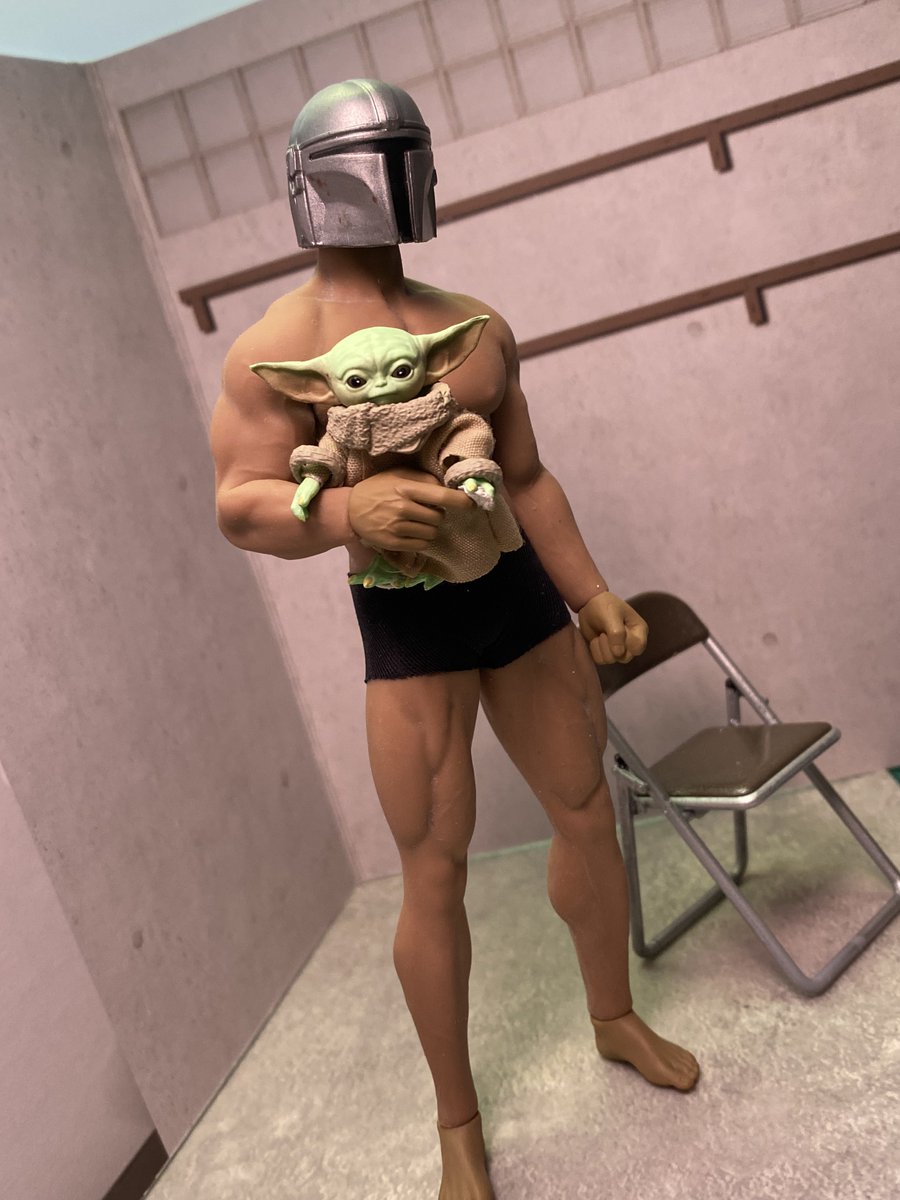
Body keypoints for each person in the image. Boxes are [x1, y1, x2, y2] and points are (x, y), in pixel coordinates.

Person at [210, 79, 699, 1200]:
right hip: (408, 621)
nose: (398, 179)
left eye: (408, 153)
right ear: (320, 184)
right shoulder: (272, 353)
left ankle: (613, 1016)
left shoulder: (474, 325)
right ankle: (458, 1127)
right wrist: (348, 509)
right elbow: (240, 503)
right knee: (433, 873)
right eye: (379, 157)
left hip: (517, 599)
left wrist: (592, 593)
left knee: (587, 813)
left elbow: (523, 475)